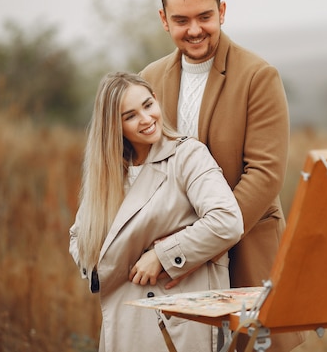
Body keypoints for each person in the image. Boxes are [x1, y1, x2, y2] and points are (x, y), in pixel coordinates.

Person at [140, 0, 305, 352]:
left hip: (245, 251)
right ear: (164, 19)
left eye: (205, 17)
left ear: (222, 11)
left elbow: (264, 177)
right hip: (173, 259)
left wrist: (196, 247)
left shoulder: (258, 76)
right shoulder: (147, 80)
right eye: (182, 20)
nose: (194, 30)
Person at [69, 72, 243, 352]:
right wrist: (103, 268)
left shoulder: (188, 155)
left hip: (177, 320)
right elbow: (79, 237)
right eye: (130, 116)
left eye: (148, 105)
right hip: (123, 319)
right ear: (114, 125)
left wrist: (162, 257)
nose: (147, 119)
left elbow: (227, 221)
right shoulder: (109, 174)